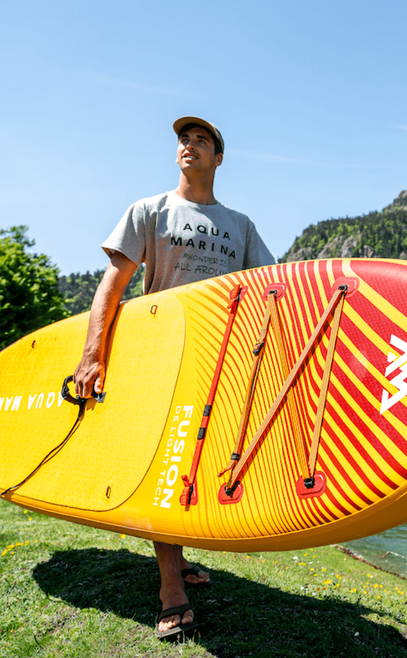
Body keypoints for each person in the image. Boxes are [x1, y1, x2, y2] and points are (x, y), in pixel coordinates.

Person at [73, 116, 274, 638]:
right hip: (160, 352)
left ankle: (178, 559)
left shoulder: (241, 225)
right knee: (166, 464)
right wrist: (93, 354)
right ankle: (171, 587)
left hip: (220, 361)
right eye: (184, 140)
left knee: (196, 464)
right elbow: (111, 286)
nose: (189, 145)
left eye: (201, 140)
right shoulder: (149, 211)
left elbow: (265, 291)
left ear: (219, 158)